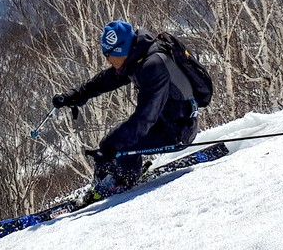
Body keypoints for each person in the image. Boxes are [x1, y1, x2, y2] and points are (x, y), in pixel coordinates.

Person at [52, 20, 200, 192]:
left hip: (178, 131)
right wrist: (75, 95)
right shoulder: (137, 57)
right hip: (164, 121)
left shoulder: (153, 66)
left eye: (112, 56)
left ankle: (121, 184)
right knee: (112, 142)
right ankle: (108, 182)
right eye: (107, 56)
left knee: (118, 143)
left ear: (122, 49)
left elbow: (144, 118)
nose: (110, 61)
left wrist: (112, 147)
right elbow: (105, 80)